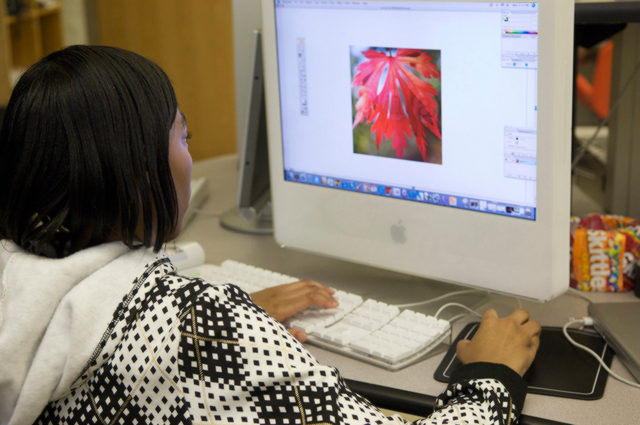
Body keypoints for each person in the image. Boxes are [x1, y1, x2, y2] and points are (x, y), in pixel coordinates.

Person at [0, 45, 541, 425]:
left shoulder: (19, 280)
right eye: (182, 134)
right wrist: (492, 375)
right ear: (141, 170)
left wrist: (214, 321)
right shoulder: (195, 327)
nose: (188, 152)